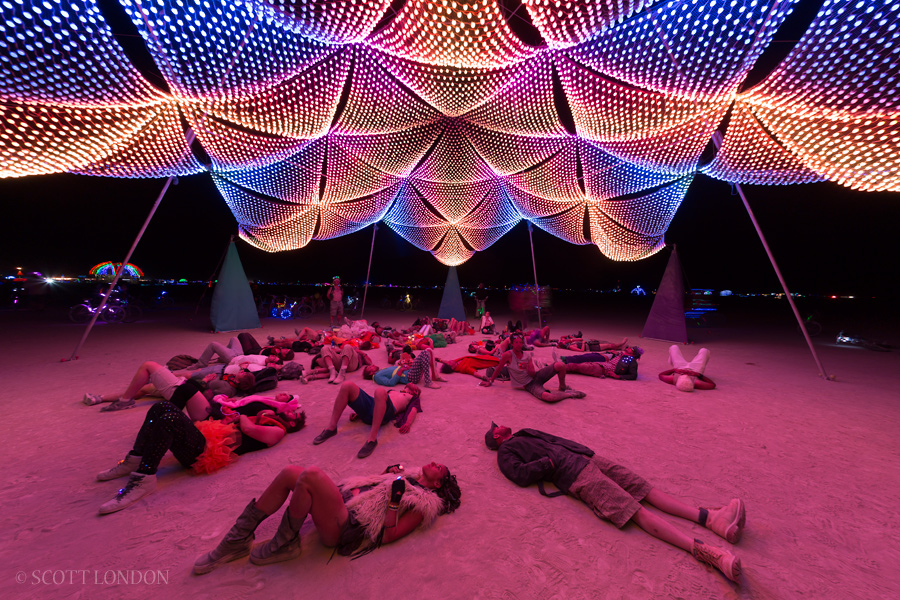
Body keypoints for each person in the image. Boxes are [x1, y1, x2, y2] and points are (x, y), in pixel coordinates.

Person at [484, 423, 744, 583]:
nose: (501, 426)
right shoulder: (506, 451)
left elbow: (554, 440)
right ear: (496, 437)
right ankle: (707, 552)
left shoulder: (522, 431)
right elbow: (518, 474)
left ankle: (710, 518)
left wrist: (584, 450)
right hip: (573, 474)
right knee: (635, 510)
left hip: (587, 457)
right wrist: (548, 465)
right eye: (496, 428)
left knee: (644, 489)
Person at [192, 461, 461, 574]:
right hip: (346, 505)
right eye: (437, 462)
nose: (436, 463)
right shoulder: (407, 476)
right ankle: (236, 540)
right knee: (290, 472)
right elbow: (371, 492)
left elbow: (389, 534)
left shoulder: (424, 503)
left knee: (310, 475)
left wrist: (394, 501)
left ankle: (285, 544)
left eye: (441, 469)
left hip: (348, 527)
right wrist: (386, 474)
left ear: (438, 485)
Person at [95, 401, 304, 514]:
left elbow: (248, 429)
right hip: (204, 438)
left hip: (203, 452)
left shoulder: (278, 432)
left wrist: (240, 417)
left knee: (169, 419)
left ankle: (144, 478)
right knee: (161, 407)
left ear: (292, 424)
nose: (290, 412)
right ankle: (135, 458)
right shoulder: (266, 416)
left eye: (295, 414)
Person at [312, 381, 423, 458]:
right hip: (372, 408)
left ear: (415, 392)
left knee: (380, 391)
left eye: (415, 385)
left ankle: (372, 439)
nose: (412, 383)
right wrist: (359, 413)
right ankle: (331, 427)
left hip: (386, 413)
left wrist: (407, 423)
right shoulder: (394, 391)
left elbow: (413, 410)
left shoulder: (412, 398)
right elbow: (378, 402)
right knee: (347, 385)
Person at [480, 334, 585, 402]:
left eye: (520, 342)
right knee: (549, 398)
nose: (519, 345)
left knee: (560, 365)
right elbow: (499, 368)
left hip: (536, 377)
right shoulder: (508, 355)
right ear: (511, 344)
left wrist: (527, 368)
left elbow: (533, 374)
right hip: (528, 385)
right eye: (516, 342)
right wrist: (491, 381)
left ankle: (563, 387)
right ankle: (569, 395)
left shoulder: (527, 355)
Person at [84, 361, 216, 413]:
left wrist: (204, 381)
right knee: (141, 389)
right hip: (178, 382)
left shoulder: (226, 377)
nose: (238, 370)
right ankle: (100, 398)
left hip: (179, 390)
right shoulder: (229, 364)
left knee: (148, 365)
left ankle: (124, 402)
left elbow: (210, 396)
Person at [553, 346, 643, 380]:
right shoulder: (620, 355)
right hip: (600, 364)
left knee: (575, 367)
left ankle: (553, 368)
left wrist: (618, 376)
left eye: (631, 348)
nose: (628, 347)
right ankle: (554, 366)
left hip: (601, 369)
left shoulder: (632, 361)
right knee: (579, 364)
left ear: (634, 353)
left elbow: (633, 375)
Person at [309, 343, 373, 384]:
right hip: (341, 360)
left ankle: (342, 373)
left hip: (352, 364)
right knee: (324, 348)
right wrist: (337, 351)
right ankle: (332, 371)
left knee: (347, 346)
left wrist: (359, 352)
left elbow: (370, 363)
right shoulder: (349, 347)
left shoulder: (360, 353)